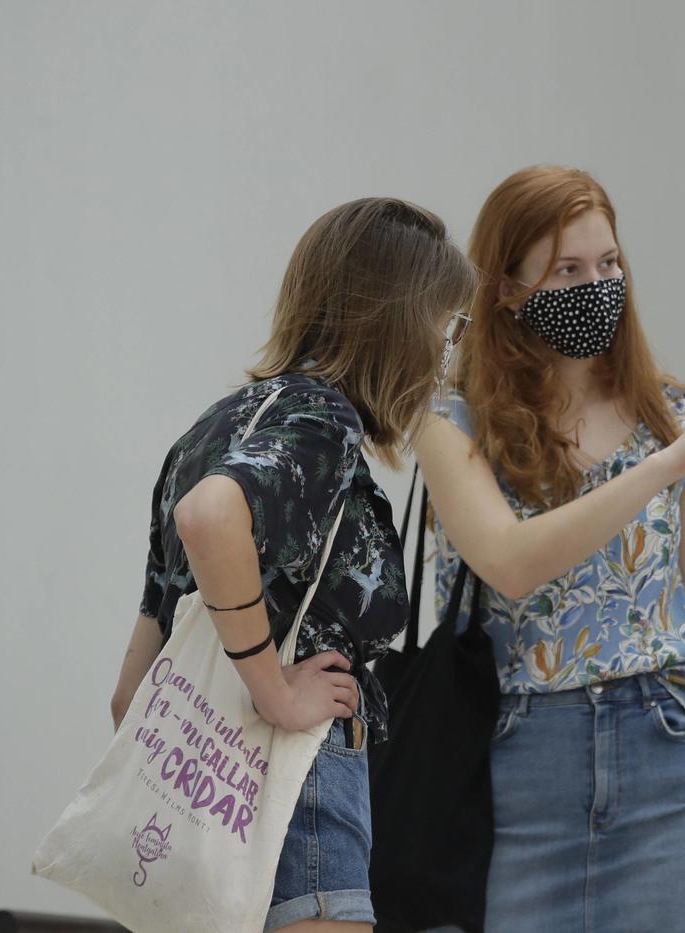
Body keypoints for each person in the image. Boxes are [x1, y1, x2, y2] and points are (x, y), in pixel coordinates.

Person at [415, 166, 685, 933]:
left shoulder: (674, 417)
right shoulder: (453, 425)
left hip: (668, 754)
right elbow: (510, 561)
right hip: (523, 766)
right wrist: (664, 467)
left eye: (609, 264)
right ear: (508, 287)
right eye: (567, 270)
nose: (597, 284)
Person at [109, 197, 476, 932]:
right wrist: (274, 692)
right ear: (399, 319)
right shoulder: (322, 421)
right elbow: (211, 517)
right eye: (450, 324)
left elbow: (130, 697)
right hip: (297, 805)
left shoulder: (208, 431)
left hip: (201, 827)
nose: (450, 348)